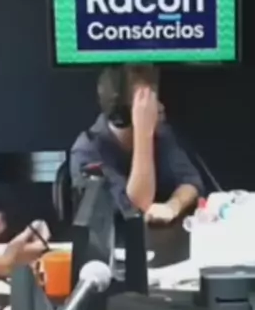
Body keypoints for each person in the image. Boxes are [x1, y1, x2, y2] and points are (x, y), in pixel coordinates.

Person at [70, 65, 205, 224]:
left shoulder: (162, 134)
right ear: (121, 112)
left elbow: (190, 181)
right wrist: (143, 133)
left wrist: (172, 206)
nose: (160, 106)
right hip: (116, 237)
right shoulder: (87, 152)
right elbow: (137, 207)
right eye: (146, 100)